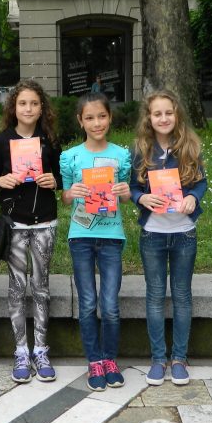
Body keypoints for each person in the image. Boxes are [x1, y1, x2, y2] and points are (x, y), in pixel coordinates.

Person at [0, 80, 62, 383]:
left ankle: (41, 350)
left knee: (41, 287)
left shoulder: (49, 141)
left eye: (34, 103)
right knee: (17, 289)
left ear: (42, 108)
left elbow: (62, 177)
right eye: (22, 103)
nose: (28, 109)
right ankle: (21, 351)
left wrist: (54, 181)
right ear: (13, 107)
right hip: (15, 224)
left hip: (45, 223)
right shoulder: (1, 141)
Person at [130, 90, 207, 386]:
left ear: (177, 115)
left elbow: (201, 183)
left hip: (183, 232)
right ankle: (158, 358)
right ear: (149, 118)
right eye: (157, 113)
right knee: (155, 295)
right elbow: (132, 187)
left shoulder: (189, 146)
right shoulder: (141, 149)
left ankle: (179, 358)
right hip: (153, 234)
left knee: (182, 295)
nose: (163, 118)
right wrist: (142, 198)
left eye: (168, 113)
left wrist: (193, 197)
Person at [60, 92, 132, 391]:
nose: (96, 123)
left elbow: (126, 196)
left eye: (102, 116)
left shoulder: (121, 155)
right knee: (88, 302)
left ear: (110, 118)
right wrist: (71, 193)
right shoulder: (70, 156)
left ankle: (109, 359)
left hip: (111, 236)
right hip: (81, 236)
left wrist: (125, 192)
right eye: (89, 118)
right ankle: (94, 360)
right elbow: (65, 198)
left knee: (110, 304)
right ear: (81, 121)